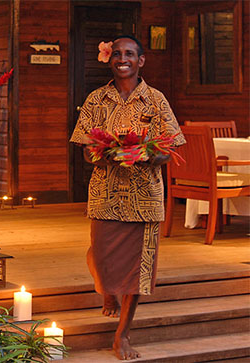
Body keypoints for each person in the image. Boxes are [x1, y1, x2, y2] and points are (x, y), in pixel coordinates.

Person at [70, 35, 185, 360]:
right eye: (117, 53)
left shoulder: (156, 100)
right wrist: (105, 155)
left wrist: (148, 155)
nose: (123, 58)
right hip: (105, 195)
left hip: (145, 198)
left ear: (141, 60)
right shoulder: (96, 99)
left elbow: (172, 144)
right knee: (101, 260)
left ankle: (123, 334)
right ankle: (108, 291)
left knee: (137, 271)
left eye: (130, 54)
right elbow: (85, 150)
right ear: (109, 58)